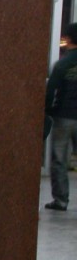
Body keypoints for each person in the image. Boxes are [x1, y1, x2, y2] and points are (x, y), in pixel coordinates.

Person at [45, 23, 77, 212]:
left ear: (69, 39)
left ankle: (61, 200)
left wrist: (48, 110)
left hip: (64, 116)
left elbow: (51, 90)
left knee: (59, 159)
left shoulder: (63, 64)